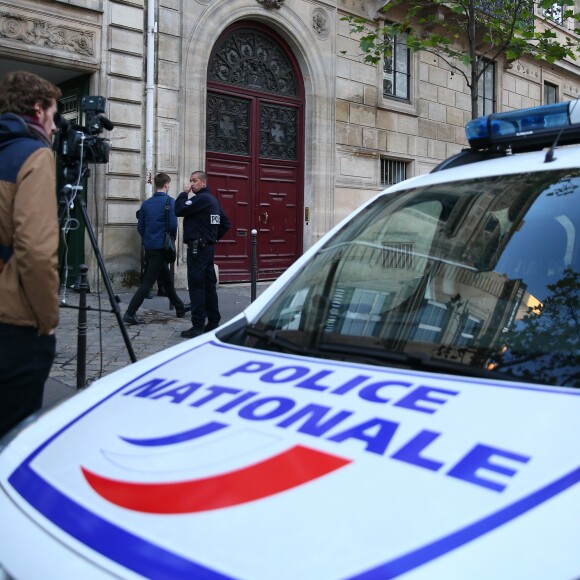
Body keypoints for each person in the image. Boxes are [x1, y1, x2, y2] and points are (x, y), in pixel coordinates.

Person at [0, 71, 61, 437]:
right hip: (14, 322)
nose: (54, 129)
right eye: (53, 117)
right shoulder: (33, 154)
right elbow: (36, 252)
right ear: (38, 110)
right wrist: (47, 318)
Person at [123, 173, 186, 324]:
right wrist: (170, 240)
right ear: (166, 185)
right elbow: (172, 225)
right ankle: (130, 313)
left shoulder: (146, 203)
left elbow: (140, 227)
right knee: (147, 282)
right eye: (169, 185)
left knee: (167, 281)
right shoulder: (170, 202)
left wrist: (149, 238)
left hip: (150, 246)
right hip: (161, 248)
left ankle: (179, 307)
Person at [175, 170, 230, 338]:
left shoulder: (201, 199)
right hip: (207, 248)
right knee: (208, 285)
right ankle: (213, 321)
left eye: (195, 181)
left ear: (204, 183)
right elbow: (225, 223)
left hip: (198, 249)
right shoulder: (212, 200)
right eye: (190, 181)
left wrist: (183, 194)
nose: (191, 184)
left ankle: (198, 325)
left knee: (197, 286)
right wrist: (212, 238)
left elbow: (179, 209)